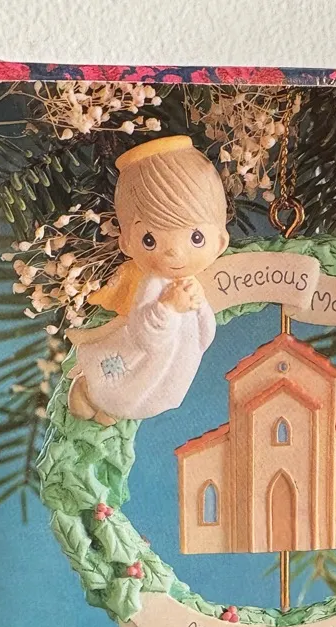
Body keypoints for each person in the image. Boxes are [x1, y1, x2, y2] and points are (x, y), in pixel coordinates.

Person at [67, 136, 229, 426]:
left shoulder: (192, 284)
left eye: (196, 237)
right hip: (145, 360)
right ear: (127, 243)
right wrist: (168, 307)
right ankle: (89, 394)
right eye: (150, 240)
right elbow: (144, 334)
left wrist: (199, 308)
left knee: (146, 394)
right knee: (123, 386)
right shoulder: (152, 284)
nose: (173, 252)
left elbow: (205, 334)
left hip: (172, 366)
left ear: (220, 242)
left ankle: (109, 407)